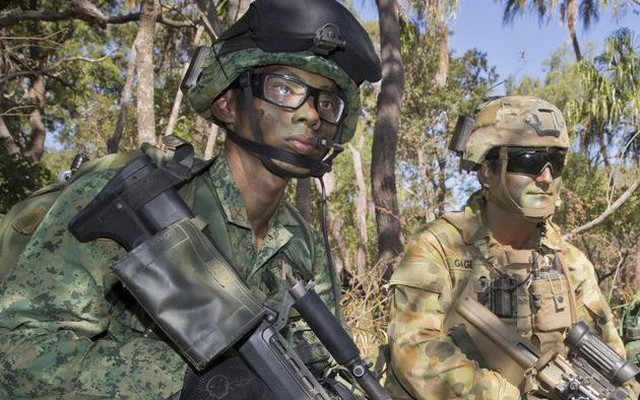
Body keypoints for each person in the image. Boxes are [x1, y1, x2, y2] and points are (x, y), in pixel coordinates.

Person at [0, 0, 381, 398]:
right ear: (226, 103)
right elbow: (18, 352)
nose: (311, 115)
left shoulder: (304, 245)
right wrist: (195, 384)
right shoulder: (135, 193)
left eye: (326, 102)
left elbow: (318, 367)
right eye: (284, 88)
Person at [384, 95, 639, 399]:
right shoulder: (439, 247)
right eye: (528, 161)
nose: (545, 178)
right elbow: (414, 351)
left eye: (554, 163)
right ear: (488, 171)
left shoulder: (571, 262)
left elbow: (610, 354)